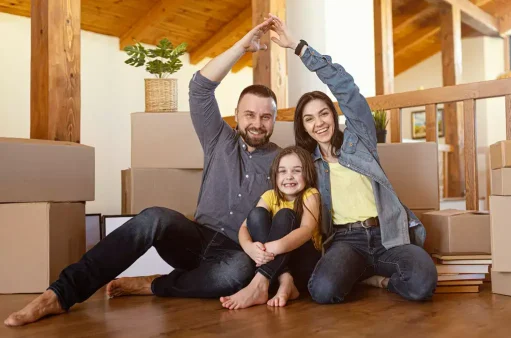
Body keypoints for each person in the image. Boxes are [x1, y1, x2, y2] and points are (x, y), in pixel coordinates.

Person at [4, 18, 281, 327]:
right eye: (250, 114)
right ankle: (59, 294)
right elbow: (200, 88)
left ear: (273, 120)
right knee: (152, 217)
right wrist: (241, 47)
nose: (257, 123)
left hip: (236, 252)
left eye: (266, 117)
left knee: (237, 274)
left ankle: (153, 285)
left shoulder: (283, 161)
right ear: (238, 116)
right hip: (193, 238)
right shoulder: (219, 138)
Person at [268, 15, 438, 303]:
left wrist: (298, 47)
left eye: (323, 114)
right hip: (347, 241)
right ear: (304, 127)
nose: (318, 123)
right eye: (309, 119)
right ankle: (360, 273)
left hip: (388, 234)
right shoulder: (308, 164)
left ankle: (378, 281)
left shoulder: (360, 140)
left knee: (423, 283)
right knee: (322, 291)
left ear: (333, 116)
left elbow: (346, 88)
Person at [220, 146, 321, 309]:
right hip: (276, 265)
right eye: (282, 171)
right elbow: (244, 228)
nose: (289, 176)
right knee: (257, 214)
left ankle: (259, 284)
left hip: (304, 263)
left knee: (285, 215)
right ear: (275, 175)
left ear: (307, 173)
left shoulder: (310, 194)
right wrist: (250, 248)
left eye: (296, 170)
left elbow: (307, 230)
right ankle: (285, 281)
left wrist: (276, 246)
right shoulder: (269, 195)